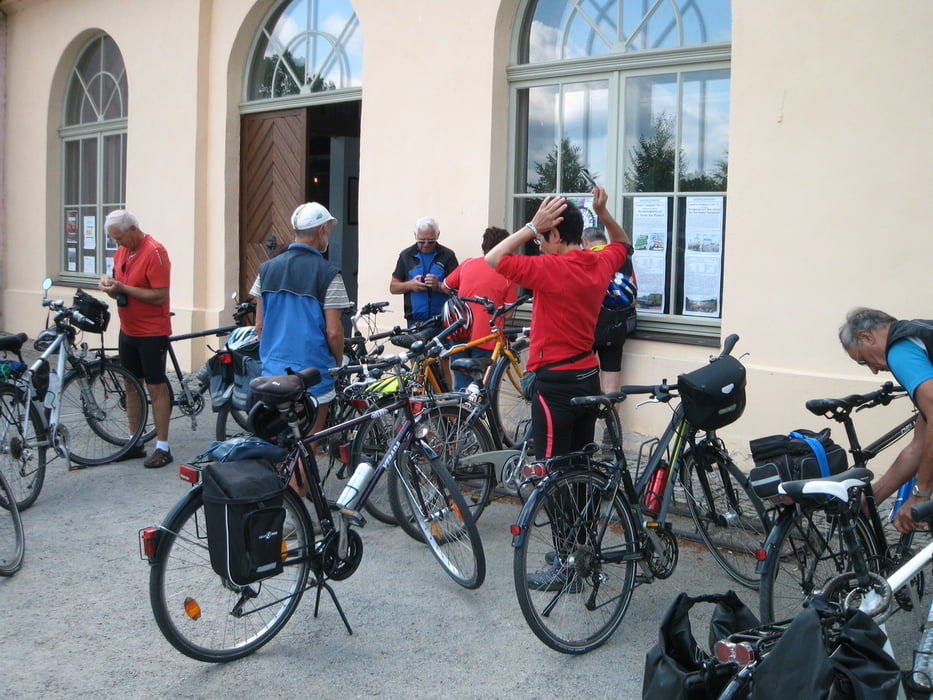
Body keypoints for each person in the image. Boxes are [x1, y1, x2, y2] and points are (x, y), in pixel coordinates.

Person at [486, 185, 630, 461]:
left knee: (551, 471)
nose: (539, 247)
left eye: (541, 240)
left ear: (555, 234)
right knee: (579, 463)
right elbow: (623, 245)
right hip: (588, 374)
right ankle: (580, 504)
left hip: (555, 383)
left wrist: (531, 226)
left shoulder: (550, 269)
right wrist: (603, 213)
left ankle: (557, 504)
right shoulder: (599, 262)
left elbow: (493, 258)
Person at [254, 202, 352, 442]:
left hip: (273, 373)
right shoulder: (328, 274)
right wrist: (338, 362)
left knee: (280, 444)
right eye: (328, 229)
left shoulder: (266, 270)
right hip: (312, 373)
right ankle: (300, 480)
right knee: (308, 445)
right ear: (321, 231)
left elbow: (259, 327)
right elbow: (333, 332)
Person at [839, 309, 933, 532]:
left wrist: (921, 495)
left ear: (866, 336)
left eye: (863, 361)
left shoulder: (900, 350)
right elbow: (918, 447)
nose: (873, 370)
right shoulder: (920, 334)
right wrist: (873, 499)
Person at [98, 210, 173, 468]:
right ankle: (134, 441)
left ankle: (163, 446)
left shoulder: (155, 252)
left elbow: (160, 296)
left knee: (156, 386)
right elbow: (119, 286)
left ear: (133, 229)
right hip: (128, 328)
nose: (117, 244)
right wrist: (110, 286)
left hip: (152, 330)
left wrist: (122, 288)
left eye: (119, 238)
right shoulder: (122, 251)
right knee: (131, 384)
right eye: (114, 240)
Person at [442, 226, 517, 390]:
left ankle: (459, 414)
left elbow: (445, 286)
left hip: (459, 332)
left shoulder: (467, 264)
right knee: (481, 389)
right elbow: (509, 314)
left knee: (461, 385)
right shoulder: (508, 273)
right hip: (486, 336)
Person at [582, 226, 637, 395]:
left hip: (588, 328)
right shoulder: (623, 259)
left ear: (585, 242)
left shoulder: (584, 258)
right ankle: (612, 421)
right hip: (616, 326)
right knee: (611, 388)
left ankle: (586, 421)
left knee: (584, 385)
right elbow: (633, 299)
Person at [390, 216, 458, 326]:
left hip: (443, 320)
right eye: (421, 241)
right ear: (415, 236)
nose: (426, 244)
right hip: (415, 320)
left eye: (431, 241)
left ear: (437, 235)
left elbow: (458, 291)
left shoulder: (448, 256)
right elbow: (393, 288)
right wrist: (410, 285)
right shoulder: (406, 256)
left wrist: (439, 285)